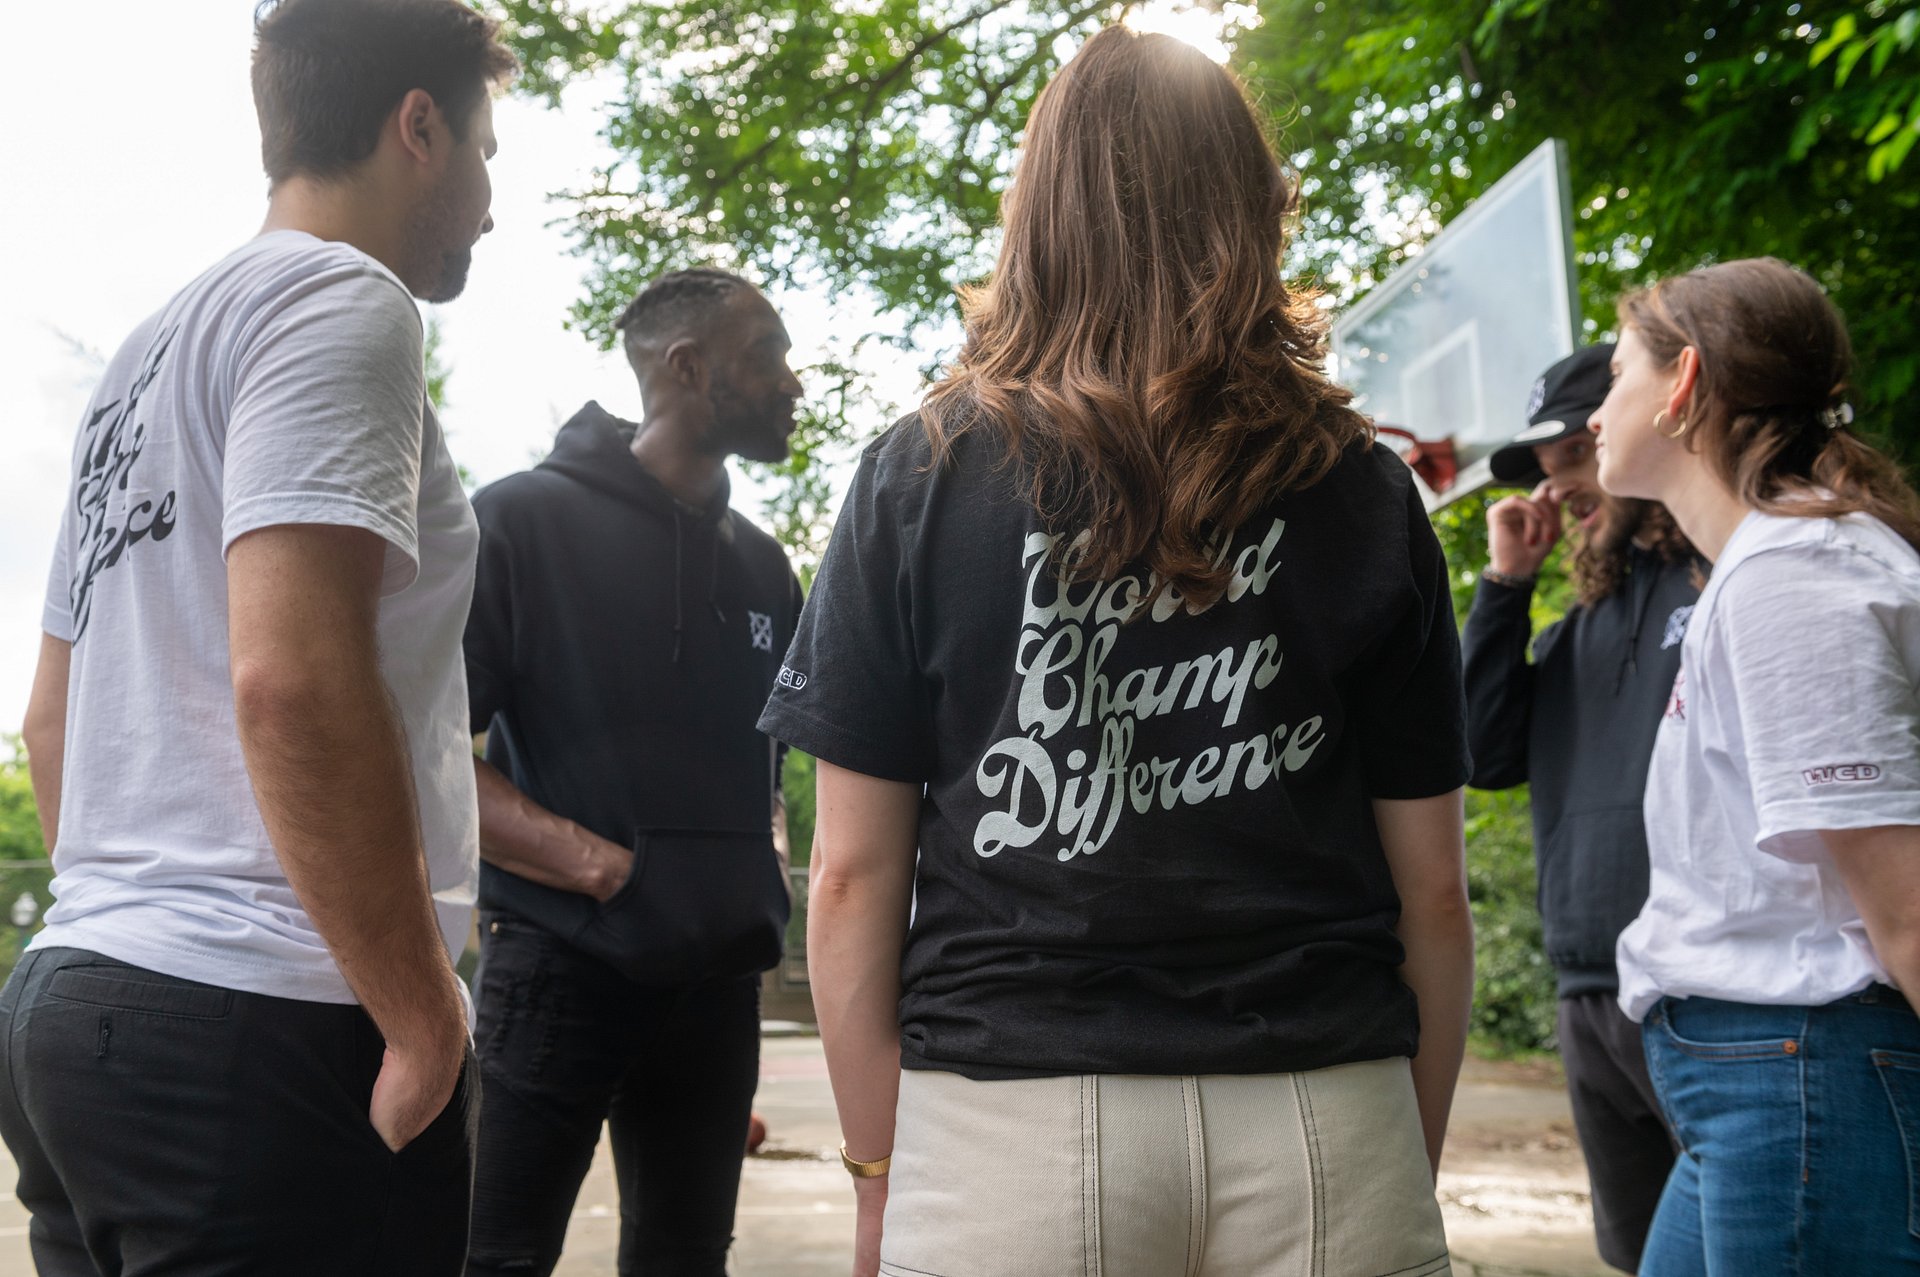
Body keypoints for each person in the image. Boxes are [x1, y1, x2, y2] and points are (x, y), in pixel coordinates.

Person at [759, 26, 1473, 1277]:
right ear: (1254, 209)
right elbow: (1433, 893)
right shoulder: (1363, 487)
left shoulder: (917, 476)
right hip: (1322, 1100)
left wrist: (878, 1167)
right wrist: (1396, 1154)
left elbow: (851, 877)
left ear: (1034, 216)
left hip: (1009, 1126)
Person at [3, 2, 514, 1274]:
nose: (492, 200)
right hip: (263, 1024)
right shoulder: (340, 297)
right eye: (487, 149)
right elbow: (289, 676)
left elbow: (51, 721)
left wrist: (130, 929)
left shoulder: (143, 357)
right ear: (418, 128)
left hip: (79, 1000)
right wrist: (420, 1016)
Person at [462, 268, 804, 1277]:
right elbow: (426, 756)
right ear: (688, 369)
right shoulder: (519, 522)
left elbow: (767, 764)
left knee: (687, 1261)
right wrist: (609, 870)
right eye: (768, 356)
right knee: (494, 1256)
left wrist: (761, 867)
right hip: (559, 967)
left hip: (716, 988)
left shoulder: (766, 567)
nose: (794, 381)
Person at [1593, 256, 1920, 1273]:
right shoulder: (1769, 566)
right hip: (1763, 1086)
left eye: (1616, 375)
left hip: (1804, 1078)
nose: (1598, 413)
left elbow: (1905, 904)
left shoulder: (1796, 576)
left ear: (1683, 385)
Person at [1463, 343, 1695, 1273]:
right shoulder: (1562, 636)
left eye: (1577, 462)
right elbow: (1480, 753)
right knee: (1641, 1256)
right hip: (1585, 991)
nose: (1563, 492)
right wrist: (1505, 588)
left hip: (1695, 987)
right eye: (1553, 477)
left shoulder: (1717, 581)